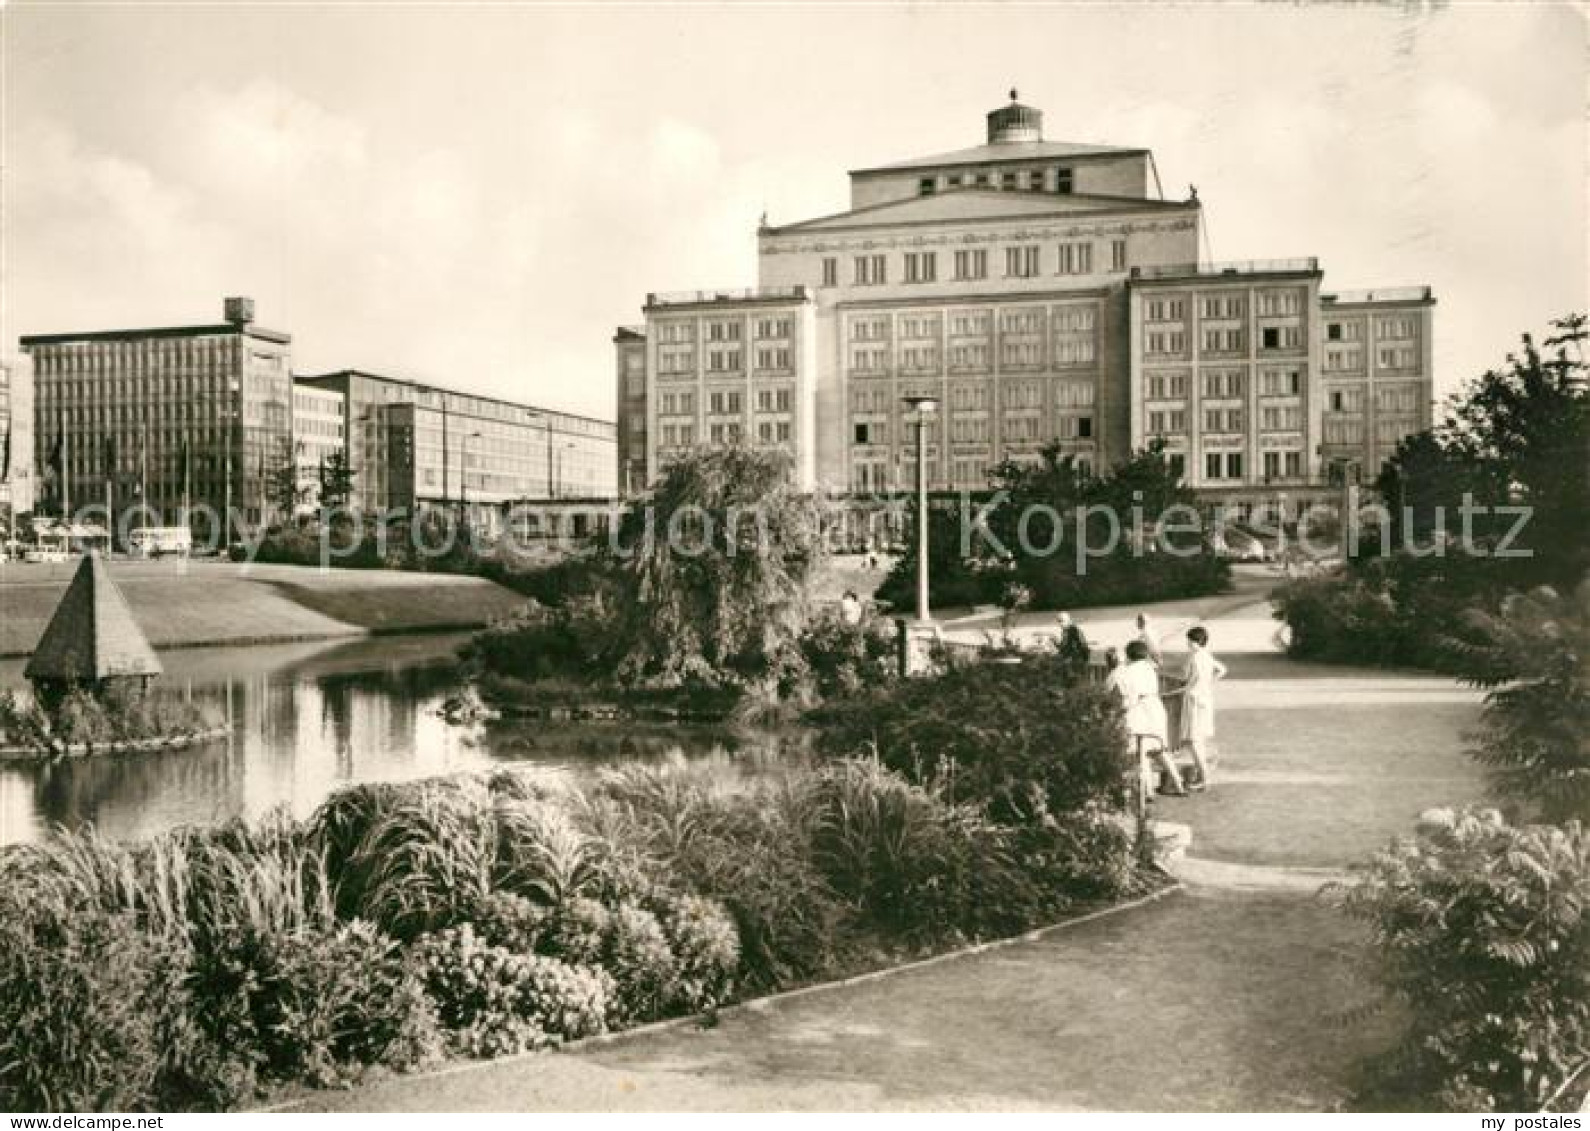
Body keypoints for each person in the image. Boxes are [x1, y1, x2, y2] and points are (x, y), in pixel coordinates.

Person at [1106, 639, 1184, 795]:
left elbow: (1127, 696)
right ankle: (1178, 783)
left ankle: (1148, 792)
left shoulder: (1126, 672)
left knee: (1142, 751)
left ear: (1129, 655)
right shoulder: (1149, 668)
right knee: (1158, 749)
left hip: (1139, 710)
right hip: (1155, 707)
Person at [1173, 625, 1227, 790]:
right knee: (1199, 740)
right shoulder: (1206, 655)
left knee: (1193, 741)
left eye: (1191, 640)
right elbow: (1223, 670)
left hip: (1194, 699)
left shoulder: (1194, 657)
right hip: (1205, 699)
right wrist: (1210, 683)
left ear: (1197, 641)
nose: (1188, 643)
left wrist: (1179, 690)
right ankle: (1201, 776)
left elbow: (1189, 681)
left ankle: (1205, 777)